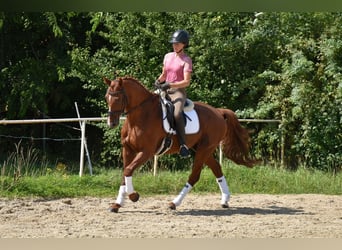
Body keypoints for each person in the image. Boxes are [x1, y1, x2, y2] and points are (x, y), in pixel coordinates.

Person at [155, 29, 192, 158]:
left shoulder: (186, 60)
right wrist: (158, 80)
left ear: (184, 44)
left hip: (178, 92)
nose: (174, 45)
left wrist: (170, 84)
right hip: (165, 89)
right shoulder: (167, 56)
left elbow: (186, 82)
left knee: (176, 114)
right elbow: (164, 74)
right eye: (173, 43)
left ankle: (183, 145)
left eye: (177, 43)